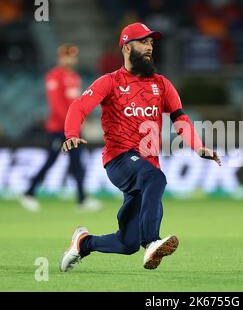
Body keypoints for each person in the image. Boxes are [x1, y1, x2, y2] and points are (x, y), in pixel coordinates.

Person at [59, 23, 221, 272]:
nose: (149, 47)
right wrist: (71, 133)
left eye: (151, 43)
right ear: (126, 47)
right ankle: (152, 242)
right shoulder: (110, 82)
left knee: (126, 243)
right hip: (118, 159)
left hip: (145, 166)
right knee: (155, 179)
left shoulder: (162, 84)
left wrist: (198, 147)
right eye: (143, 42)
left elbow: (180, 118)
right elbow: (79, 106)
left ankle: (83, 244)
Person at [19, 44, 101, 212]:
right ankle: (28, 193)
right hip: (59, 129)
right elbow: (56, 105)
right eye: (66, 56)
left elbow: (77, 104)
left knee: (77, 162)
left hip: (74, 130)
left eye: (71, 56)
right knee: (51, 160)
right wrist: (70, 125)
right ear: (60, 58)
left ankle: (82, 199)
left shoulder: (75, 77)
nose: (69, 59)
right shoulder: (54, 76)